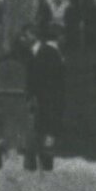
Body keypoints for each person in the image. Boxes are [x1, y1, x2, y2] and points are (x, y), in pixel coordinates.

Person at [24, 26, 67, 171]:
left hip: (47, 98)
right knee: (44, 129)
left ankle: (45, 158)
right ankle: (41, 159)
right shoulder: (46, 52)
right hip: (46, 98)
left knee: (47, 129)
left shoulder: (47, 52)